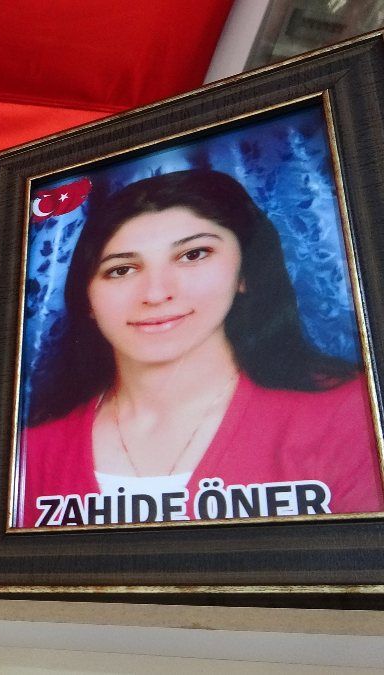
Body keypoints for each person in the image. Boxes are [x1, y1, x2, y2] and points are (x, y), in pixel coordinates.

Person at [19, 169, 384, 529]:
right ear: (87, 298)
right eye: (122, 270)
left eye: (193, 255)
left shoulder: (353, 413)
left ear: (245, 272)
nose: (156, 294)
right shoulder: (31, 451)